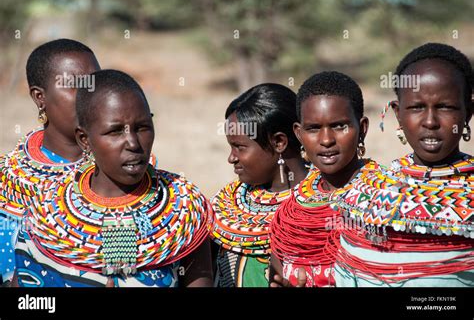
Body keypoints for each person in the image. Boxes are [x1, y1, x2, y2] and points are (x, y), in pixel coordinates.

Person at [14, 69, 213, 287]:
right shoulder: (46, 214)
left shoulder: (184, 211)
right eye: (115, 131)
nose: (133, 143)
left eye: (142, 127)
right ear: (84, 139)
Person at [334, 43, 474, 286]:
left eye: (445, 107)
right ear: (398, 114)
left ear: (468, 112)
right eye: (417, 107)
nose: (430, 122)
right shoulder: (364, 194)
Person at [0, 38, 101, 285]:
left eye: (96, 85)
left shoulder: (124, 172)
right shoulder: (7, 183)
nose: (91, 97)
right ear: (39, 97)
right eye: (75, 86)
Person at [270, 71, 380, 287]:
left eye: (339, 126)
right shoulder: (290, 213)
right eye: (313, 129)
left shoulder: (387, 202)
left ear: (362, 129)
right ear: (299, 134)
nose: (326, 140)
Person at [209, 83, 308, 287]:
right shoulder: (225, 205)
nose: (231, 158)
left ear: (279, 142)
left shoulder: (323, 204)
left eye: (239, 147)